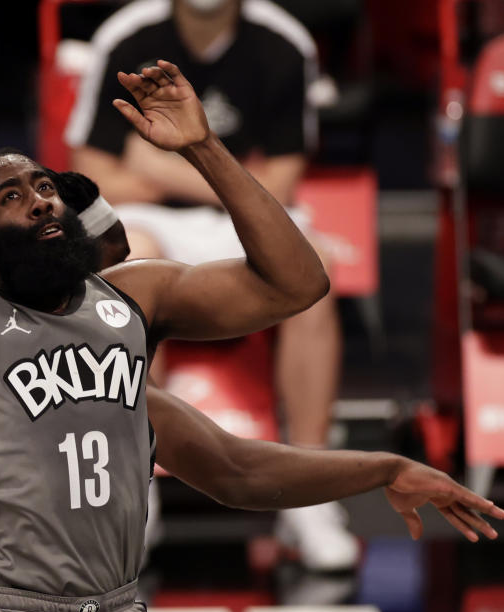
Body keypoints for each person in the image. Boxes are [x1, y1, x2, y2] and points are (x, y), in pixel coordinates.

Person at [0, 59, 504, 612]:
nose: (41, 198)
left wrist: (204, 148)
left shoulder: (132, 304)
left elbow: (289, 300)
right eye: (12, 196)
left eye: (44, 187)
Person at [66, 0, 353, 571]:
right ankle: (133, 487)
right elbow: (93, 171)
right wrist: (228, 173)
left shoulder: (283, 41)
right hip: (150, 219)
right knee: (132, 261)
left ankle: (308, 493)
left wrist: (166, 160)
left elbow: (284, 182)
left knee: (313, 270)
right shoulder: (127, 37)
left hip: (242, 219)